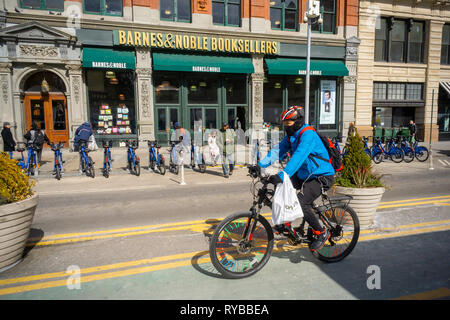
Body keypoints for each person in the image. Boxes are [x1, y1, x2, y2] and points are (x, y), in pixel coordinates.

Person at [254, 106, 335, 251]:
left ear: (298, 121)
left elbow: (299, 157)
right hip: (305, 175)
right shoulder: (292, 136)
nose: (286, 126)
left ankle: (321, 233)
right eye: (284, 123)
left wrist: (283, 174)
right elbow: (278, 151)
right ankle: (286, 223)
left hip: (321, 175)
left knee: (301, 202)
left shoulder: (307, 135)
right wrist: (260, 165)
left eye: (288, 123)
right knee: (281, 188)